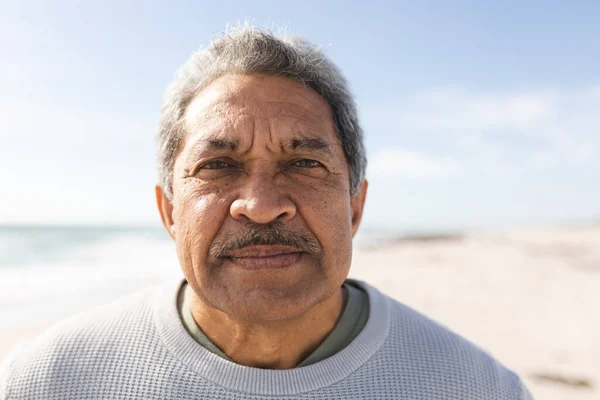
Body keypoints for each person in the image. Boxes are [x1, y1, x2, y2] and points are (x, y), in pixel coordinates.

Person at [0, 25, 533, 399]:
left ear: (354, 206)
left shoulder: (476, 389)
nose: (260, 206)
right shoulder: (45, 383)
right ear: (169, 211)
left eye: (303, 163)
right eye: (217, 166)